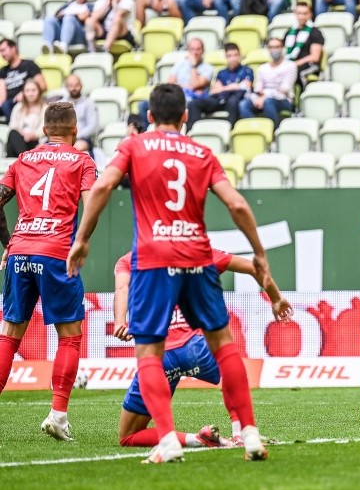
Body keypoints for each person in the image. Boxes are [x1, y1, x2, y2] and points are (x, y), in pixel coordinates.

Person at [66, 83, 274, 464]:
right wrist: (259, 254)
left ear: (148, 117)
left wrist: (82, 239)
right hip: (196, 254)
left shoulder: (134, 145)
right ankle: (249, 433)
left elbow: (102, 186)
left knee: (148, 349)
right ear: (185, 117)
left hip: (153, 258)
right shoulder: (201, 152)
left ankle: (168, 439)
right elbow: (237, 204)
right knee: (223, 343)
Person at [114, 248, 292, 449]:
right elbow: (254, 267)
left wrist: (120, 321)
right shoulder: (195, 250)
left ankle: (196, 440)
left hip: (158, 355)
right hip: (196, 348)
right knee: (231, 365)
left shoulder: (127, 260)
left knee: (128, 435)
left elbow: (122, 289)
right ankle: (240, 433)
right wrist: (275, 297)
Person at [0, 102, 96, 441]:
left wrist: (9, 243)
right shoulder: (83, 161)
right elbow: (92, 202)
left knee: (9, 336)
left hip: (21, 252)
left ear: (43, 130)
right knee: (69, 336)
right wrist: (81, 241)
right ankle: (57, 415)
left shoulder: (23, 159)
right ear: (75, 131)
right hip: (57, 253)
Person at [138, 38, 215, 121]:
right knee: (143, 105)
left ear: (203, 51)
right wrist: (187, 87)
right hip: (174, 98)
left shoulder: (208, 68)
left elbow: (195, 84)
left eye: (198, 49)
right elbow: (170, 84)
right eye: (192, 49)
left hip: (190, 101)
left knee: (190, 106)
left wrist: (193, 66)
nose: (195, 52)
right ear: (188, 51)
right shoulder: (180, 64)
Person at [187, 43, 253, 130]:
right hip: (219, 100)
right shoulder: (221, 73)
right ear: (226, 57)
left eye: (235, 55)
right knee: (193, 104)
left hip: (235, 100)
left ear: (240, 56)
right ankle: (194, 132)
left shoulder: (247, 70)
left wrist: (224, 88)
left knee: (232, 103)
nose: (232, 58)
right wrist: (233, 86)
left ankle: (228, 133)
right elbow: (214, 91)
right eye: (229, 56)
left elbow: (246, 86)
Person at [239, 38, 297, 128]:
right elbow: (258, 87)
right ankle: (256, 130)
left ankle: (274, 133)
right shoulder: (262, 68)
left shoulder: (290, 66)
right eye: (271, 47)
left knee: (268, 102)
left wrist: (265, 96)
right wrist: (260, 97)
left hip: (283, 100)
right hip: (262, 98)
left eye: (277, 47)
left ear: (282, 48)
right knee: (243, 104)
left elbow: (284, 89)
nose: (274, 50)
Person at [0, 39, 46, 121]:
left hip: (25, 100)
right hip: (8, 104)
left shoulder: (29, 64)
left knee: (6, 106)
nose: (2, 54)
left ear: (13, 48)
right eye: (0, 51)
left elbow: (43, 86)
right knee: (5, 105)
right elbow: (2, 95)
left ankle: (17, 129)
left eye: (4, 50)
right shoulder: (3, 71)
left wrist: (25, 93)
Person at [285, 2, 325, 89]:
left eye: (304, 14)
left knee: (295, 72)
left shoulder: (315, 33)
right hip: (290, 62)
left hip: (308, 65)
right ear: (295, 14)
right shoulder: (290, 32)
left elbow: (315, 57)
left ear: (310, 15)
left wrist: (296, 63)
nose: (301, 16)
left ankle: (299, 99)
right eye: (299, 13)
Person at [6, 80, 47, 157]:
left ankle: (24, 159)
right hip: (20, 139)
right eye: (27, 91)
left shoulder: (45, 108)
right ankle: (25, 158)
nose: (30, 94)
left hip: (36, 141)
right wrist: (23, 134)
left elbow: (45, 127)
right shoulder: (18, 107)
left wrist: (34, 135)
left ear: (39, 91)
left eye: (33, 90)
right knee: (13, 133)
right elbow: (13, 125)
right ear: (23, 93)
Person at [62, 75, 98, 153]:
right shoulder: (60, 104)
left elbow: (93, 126)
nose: (74, 88)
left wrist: (76, 135)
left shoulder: (89, 103)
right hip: (62, 138)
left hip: (83, 138)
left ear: (81, 86)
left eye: (76, 85)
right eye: (71, 86)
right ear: (66, 87)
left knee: (78, 147)